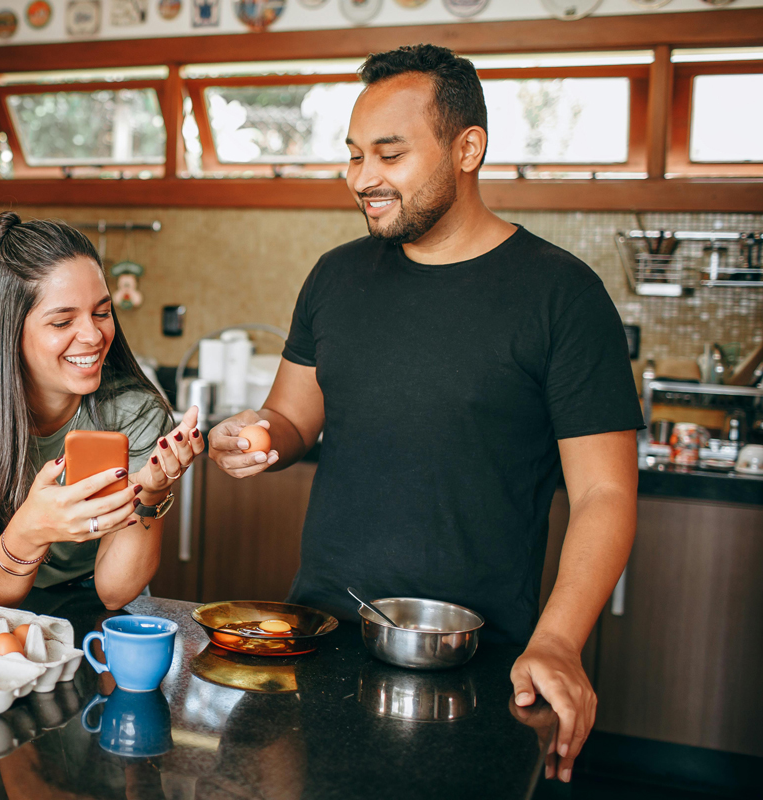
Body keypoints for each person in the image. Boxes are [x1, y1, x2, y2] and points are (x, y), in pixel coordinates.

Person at [207, 44, 642, 783]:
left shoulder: (561, 296)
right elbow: (293, 417)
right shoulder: (336, 277)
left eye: (389, 154)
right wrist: (258, 437)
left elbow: (605, 492)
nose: (362, 179)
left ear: (467, 148)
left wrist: (560, 641)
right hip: (321, 636)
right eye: (352, 156)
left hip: (479, 660)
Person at [0, 212, 203, 611]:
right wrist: (31, 529)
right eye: (62, 321)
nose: (94, 336)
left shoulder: (134, 413)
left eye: (101, 312)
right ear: (8, 332)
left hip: (96, 613)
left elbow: (115, 591)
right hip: (1, 612)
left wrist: (151, 489)